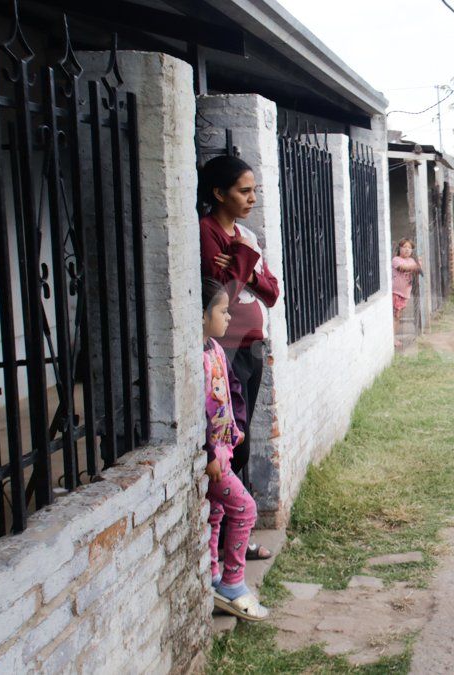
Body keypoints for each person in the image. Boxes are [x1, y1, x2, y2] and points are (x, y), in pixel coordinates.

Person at [199, 155, 279, 561]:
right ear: (218, 193)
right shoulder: (208, 233)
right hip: (225, 347)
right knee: (231, 440)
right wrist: (246, 266)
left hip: (252, 343)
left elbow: (272, 291)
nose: (251, 198)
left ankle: (238, 532)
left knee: (243, 436)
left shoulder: (244, 234)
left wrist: (245, 262)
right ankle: (233, 536)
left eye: (253, 191)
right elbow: (223, 293)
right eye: (243, 191)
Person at [202, 279, 269, 622]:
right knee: (244, 509)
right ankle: (232, 582)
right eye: (223, 311)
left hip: (226, 449)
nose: (229, 318)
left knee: (215, 514)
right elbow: (195, 411)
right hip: (213, 460)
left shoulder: (215, 349)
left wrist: (237, 431)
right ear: (201, 315)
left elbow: (233, 392)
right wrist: (210, 451)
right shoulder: (193, 359)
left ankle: (213, 574)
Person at [392, 238, 422, 341]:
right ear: (399, 248)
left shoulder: (411, 260)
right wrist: (416, 267)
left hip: (405, 293)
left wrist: (418, 266)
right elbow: (402, 268)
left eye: (409, 248)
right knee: (395, 315)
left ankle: (393, 338)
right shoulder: (396, 259)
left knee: (398, 316)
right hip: (396, 292)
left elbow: (417, 272)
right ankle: (392, 339)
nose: (407, 249)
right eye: (404, 247)